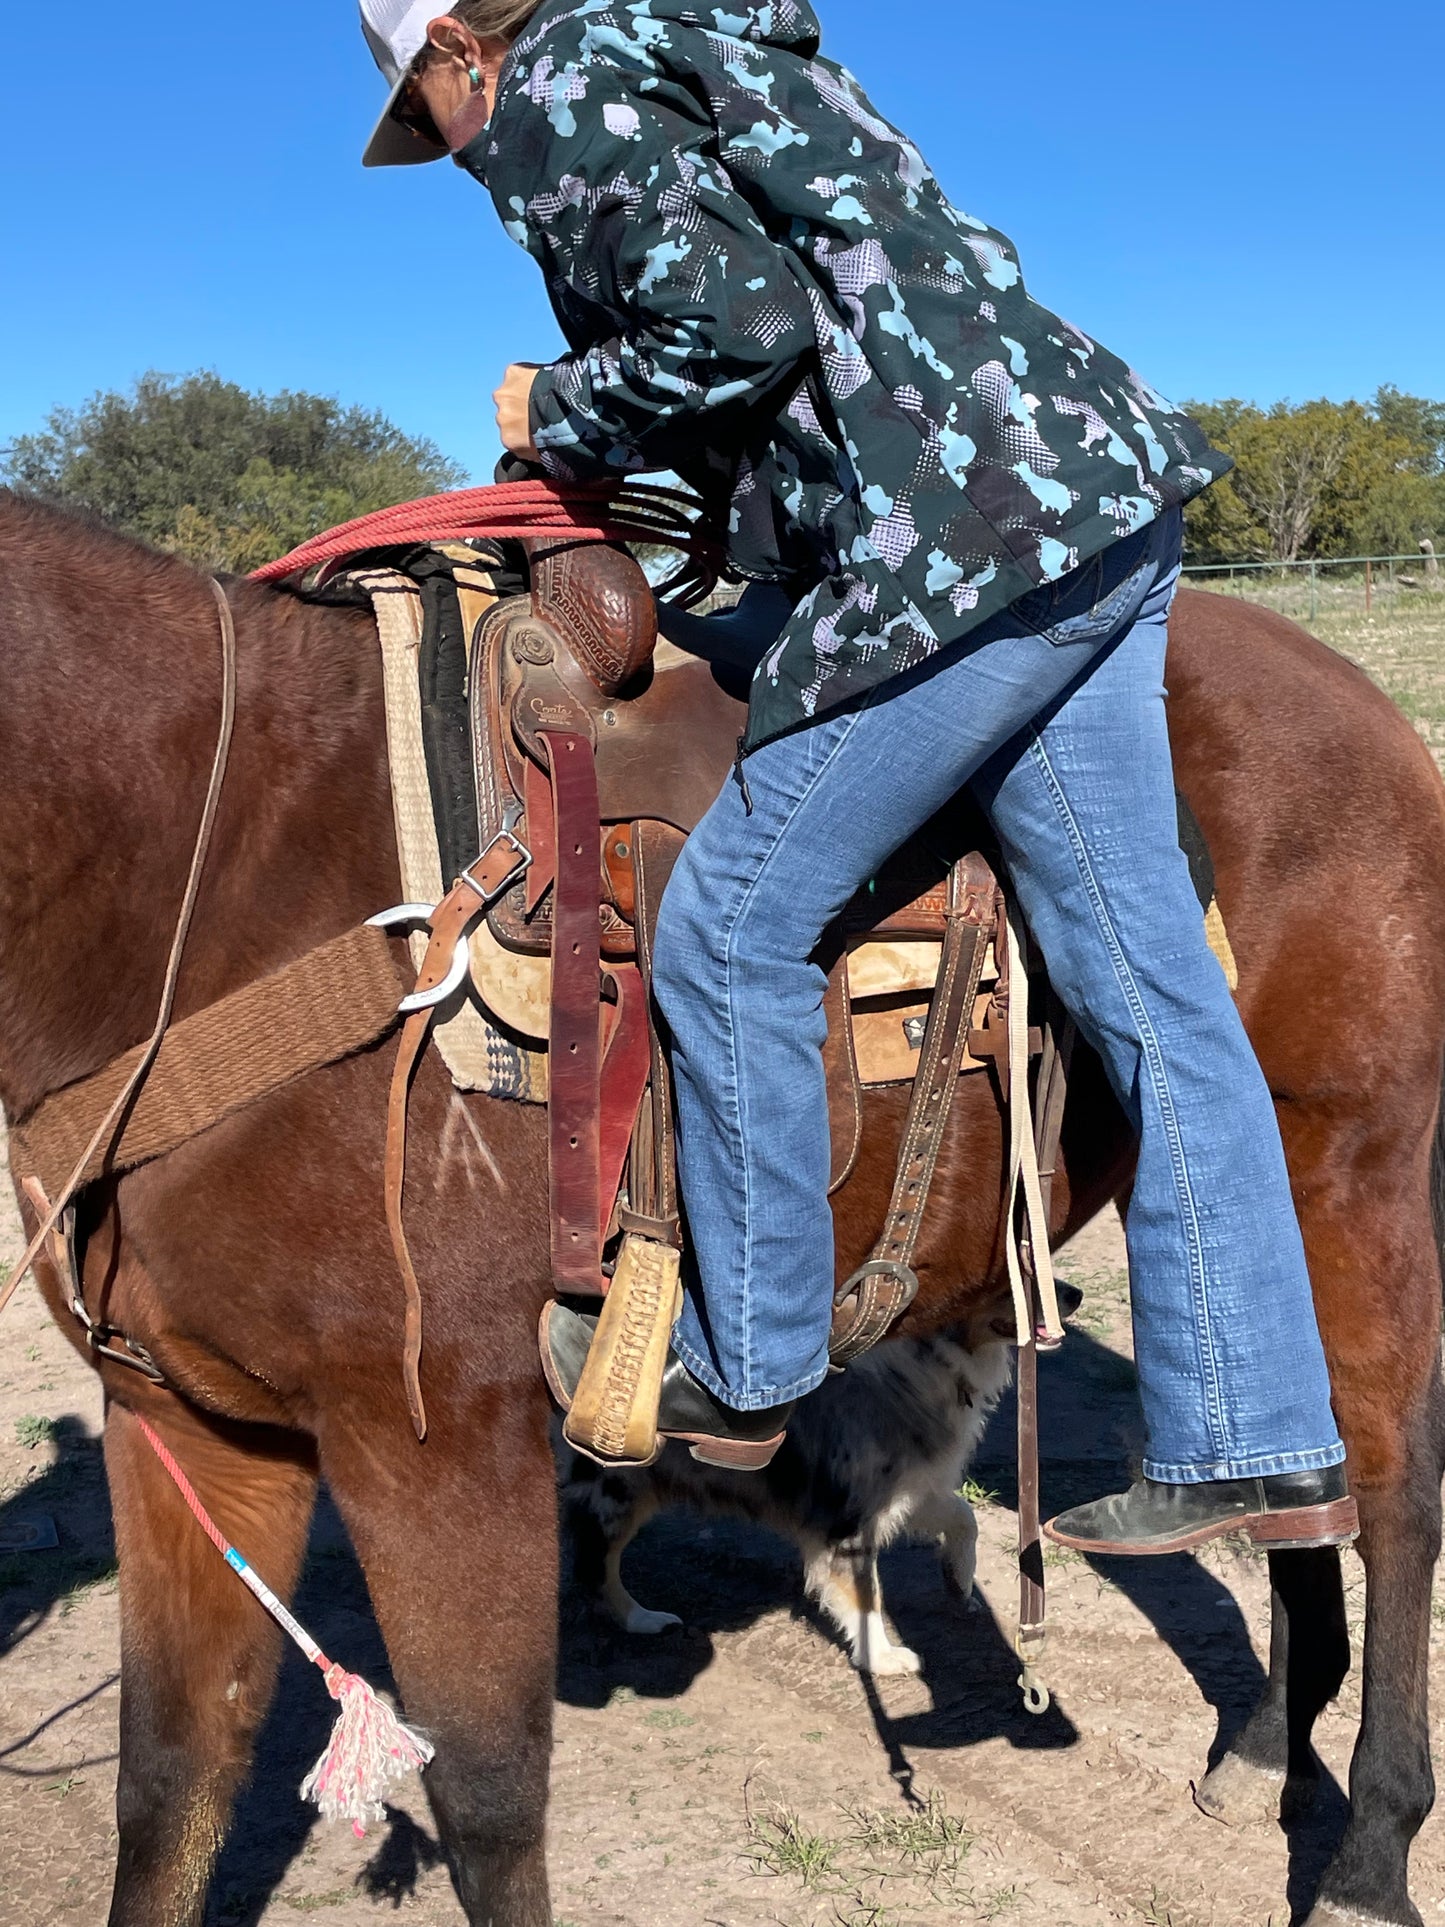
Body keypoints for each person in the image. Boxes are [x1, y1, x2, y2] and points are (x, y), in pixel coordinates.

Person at [358, 0, 1356, 1554]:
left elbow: (732, 326)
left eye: (430, 117)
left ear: (453, 56)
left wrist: (550, 411)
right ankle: (1253, 1433)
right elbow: (818, 312)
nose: (457, 156)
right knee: (1151, 988)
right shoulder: (726, 50)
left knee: (731, 918)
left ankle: (743, 1363)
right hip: (1089, 502)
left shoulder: (561, 75)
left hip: (950, 547)